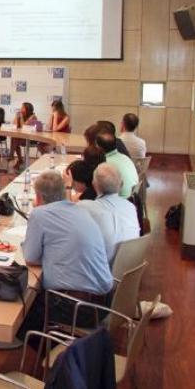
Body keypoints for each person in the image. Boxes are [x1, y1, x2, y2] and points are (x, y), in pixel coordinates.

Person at [18, 171, 112, 340]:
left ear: (38, 197)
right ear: (63, 192)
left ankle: (60, 353)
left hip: (77, 307)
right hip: (104, 302)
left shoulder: (40, 214)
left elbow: (30, 258)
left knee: (21, 312)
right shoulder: (81, 211)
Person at [76, 164, 140, 263]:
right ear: (121, 184)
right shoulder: (131, 207)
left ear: (94, 184)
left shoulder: (84, 207)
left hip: (100, 273)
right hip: (130, 270)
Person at [96, 132, 139, 199]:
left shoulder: (105, 165)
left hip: (119, 201)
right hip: (132, 199)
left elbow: (99, 189)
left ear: (99, 148)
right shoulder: (125, 157)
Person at [10, 102, 38, 169]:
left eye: (22, 107)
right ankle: (18, 159)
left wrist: (21, 117)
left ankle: (14, 157)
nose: (21, 109)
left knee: (15, 140)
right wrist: (17, 117)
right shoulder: (20, 115)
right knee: (14, 138)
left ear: (27, 109)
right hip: (21, 138)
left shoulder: (33, 117)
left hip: (30, 138)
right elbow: (14, 125)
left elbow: (23, 127)